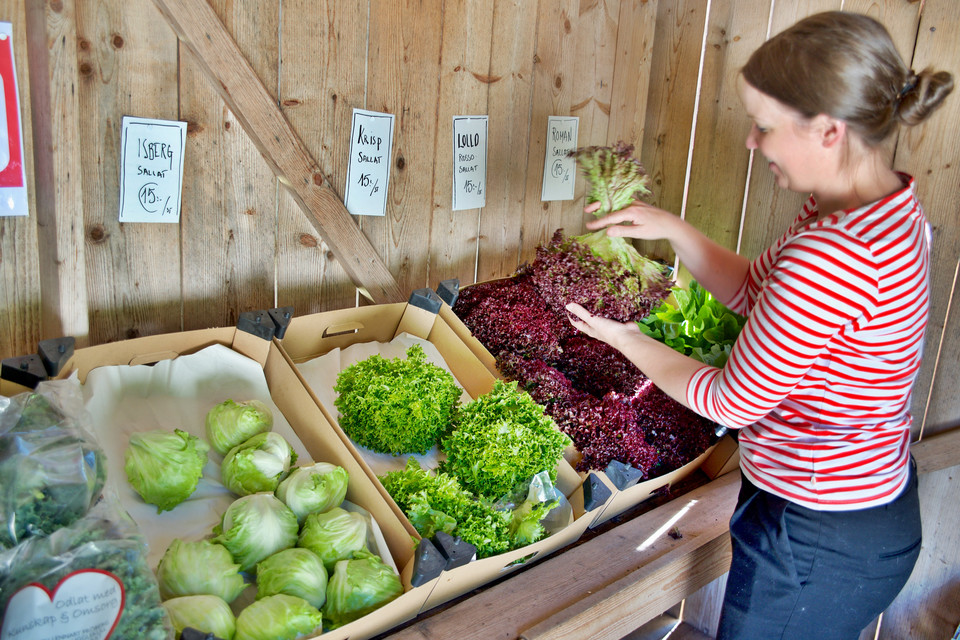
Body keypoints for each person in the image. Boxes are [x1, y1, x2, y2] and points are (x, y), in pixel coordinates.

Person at [564, 11, 953, 640]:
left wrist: (624, 337)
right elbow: (756, 289)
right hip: (861, 508)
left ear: (827, 130)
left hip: (814, 537)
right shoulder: (881, 205)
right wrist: (675, 229)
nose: (751, 141)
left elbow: (728, 400)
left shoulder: (833, 255)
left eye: (765, 126)